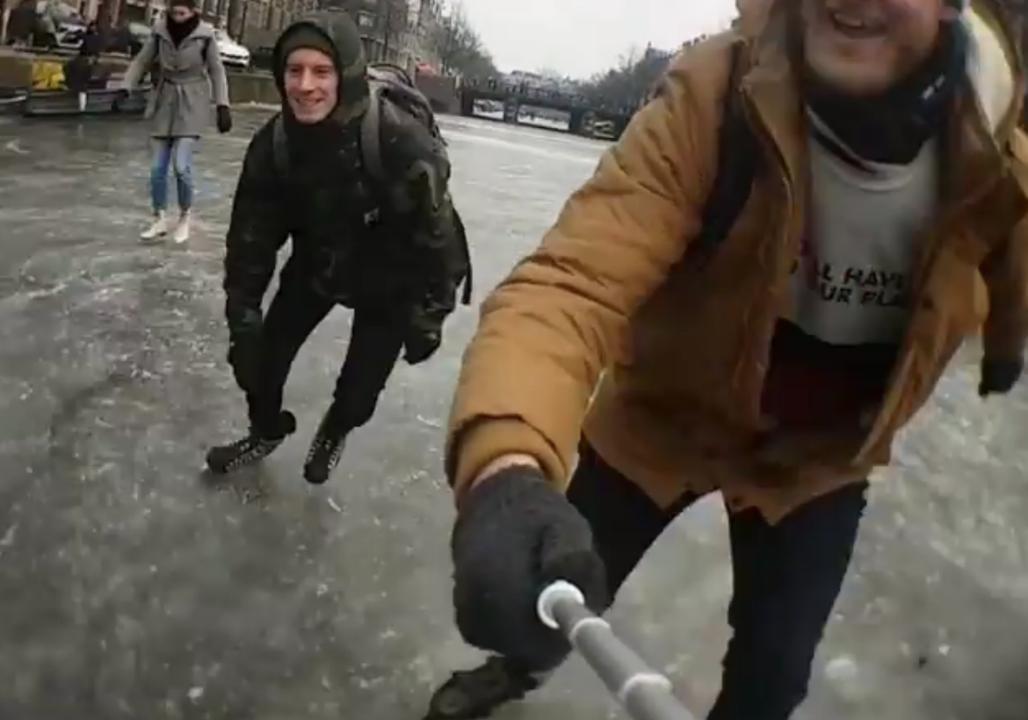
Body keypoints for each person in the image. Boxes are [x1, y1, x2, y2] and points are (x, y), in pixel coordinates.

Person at [431, 0, 1028, 719]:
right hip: (662, 425)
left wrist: (1005, 346)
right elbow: (572, 284)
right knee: (553, 585)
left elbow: (1010, 270)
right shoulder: (716, 95)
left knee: (771, 683)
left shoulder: (998, 168)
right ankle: (513, 672)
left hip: (816, 464)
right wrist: (505, 468)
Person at [204, 12, 470, 486]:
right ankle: (265, 430)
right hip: (319, 264)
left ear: (344, 75)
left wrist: (431, 315)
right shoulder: (274, 146)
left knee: (359, 393)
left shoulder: (398, 140)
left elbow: (440, 238)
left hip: (391, 280)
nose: (305, 86)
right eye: (294, 70)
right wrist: (242, 316)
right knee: (260, 363)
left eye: (321, 72)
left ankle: (336, 428)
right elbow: (250, 240)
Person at [123, 0, 231, 244]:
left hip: (192, 101)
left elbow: (216, 70)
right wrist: (126, 86)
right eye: (174, 13)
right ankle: (160, 217)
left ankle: (184, 217)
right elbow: (142, 60)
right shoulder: (160, 32)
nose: (178, 17)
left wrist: (223, 104)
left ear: (193, 13)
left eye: (182, 13)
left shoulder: (205, 36)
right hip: (165, 99)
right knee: (157, 168)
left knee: (181, 166)